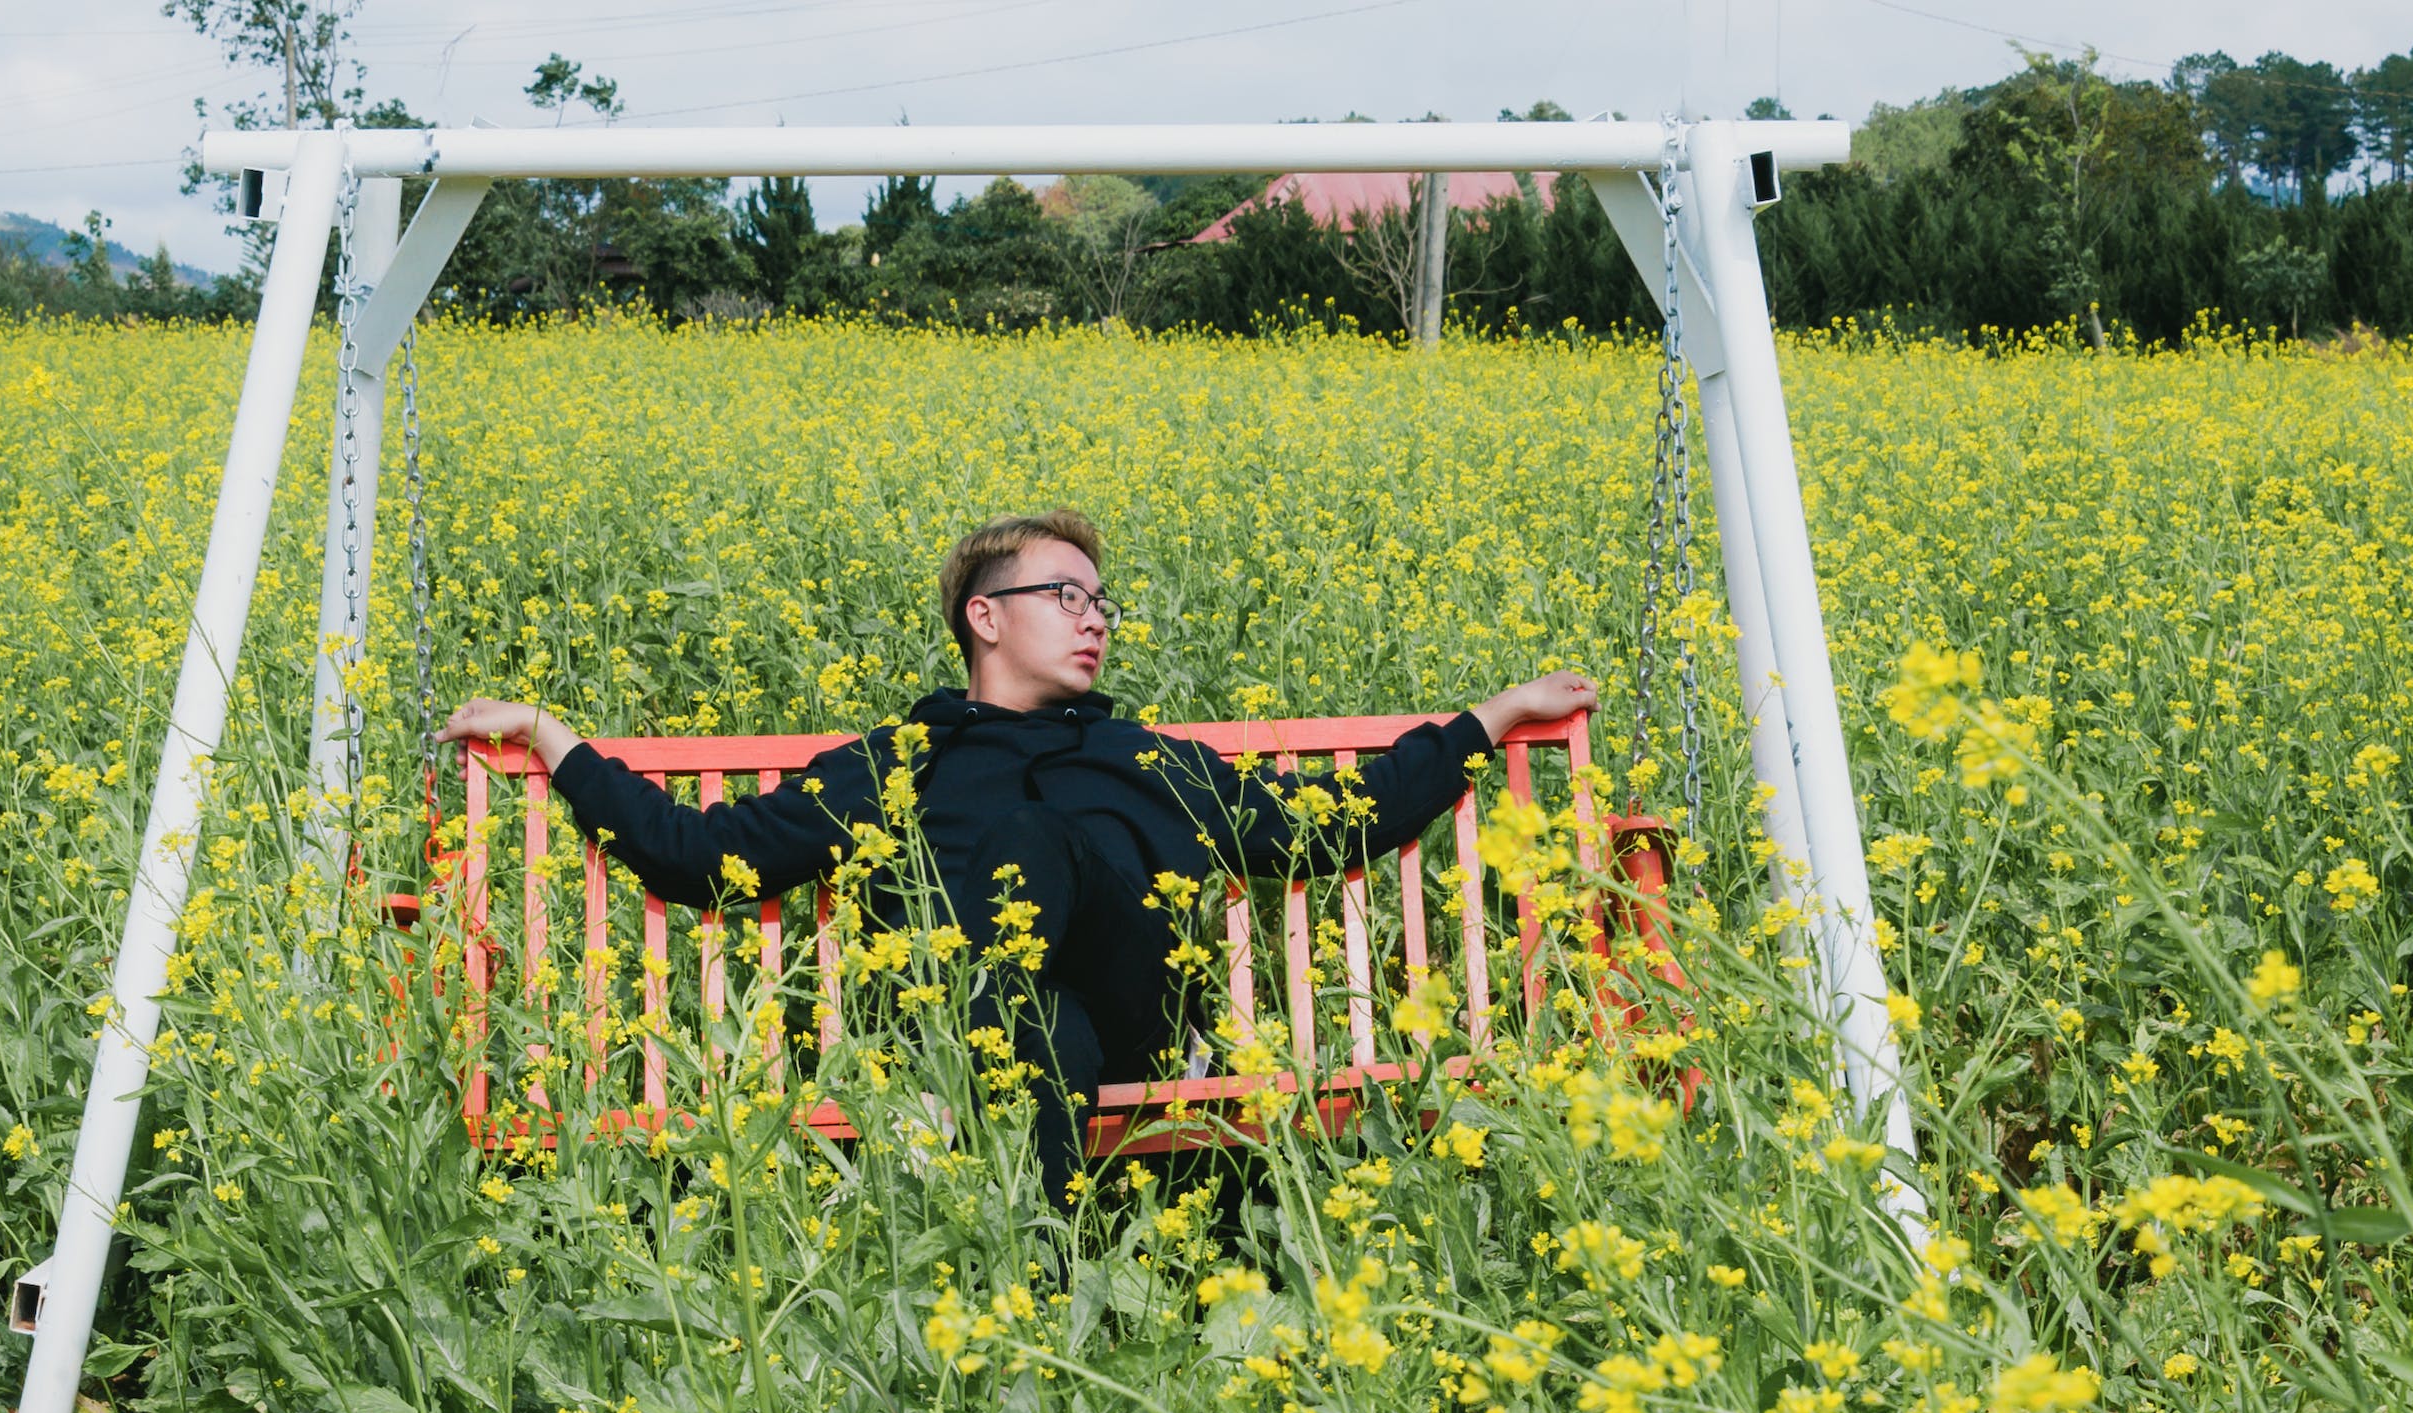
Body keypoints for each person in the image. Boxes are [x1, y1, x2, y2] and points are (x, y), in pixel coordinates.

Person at [434, 509, 1594, 1194]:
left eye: (1103, 604)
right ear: (984, 618)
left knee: (1042, 853)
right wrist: (550, 740)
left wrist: (1485, 722)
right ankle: (1039, 1289)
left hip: (1116, 1005)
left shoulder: (1141, 757)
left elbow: (1323, 826)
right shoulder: (902, 759)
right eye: (1064, 596)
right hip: (973, 1030)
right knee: (1031, 1024)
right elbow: (699, 853)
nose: (1095, 619)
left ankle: (1004, 1249)